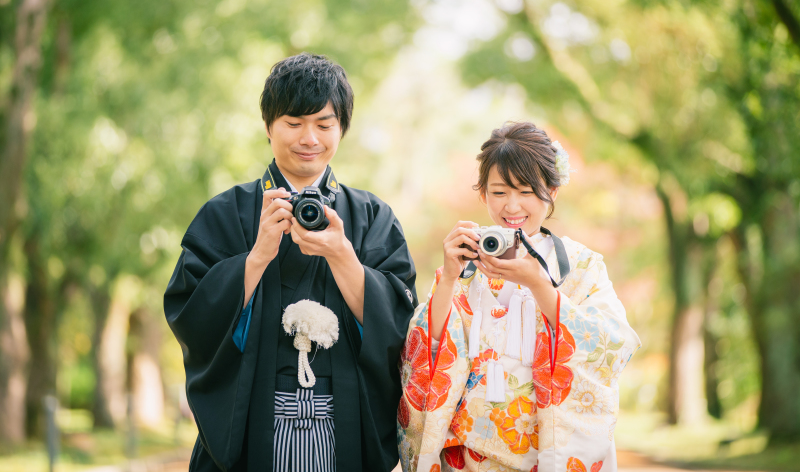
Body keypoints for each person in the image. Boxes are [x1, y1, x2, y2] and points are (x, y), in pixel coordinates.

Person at [165, 53, 417, 472]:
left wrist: (343, 256)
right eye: (294, 123)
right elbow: (192, 316)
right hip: (251, 424)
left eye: (324, 124)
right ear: (268, 126)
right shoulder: (226, 213)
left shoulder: (373, 217)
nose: (309, 138)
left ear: (342, 128)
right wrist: (258, 256)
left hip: (345, 425)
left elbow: (400, 328)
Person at [397, 122, 641, 472]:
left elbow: (610, 345)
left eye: (526, 191)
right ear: (483, 194)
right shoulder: (465, 263)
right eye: (499, 192)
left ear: (552, 191)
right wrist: (448, 277)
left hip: (543, 457)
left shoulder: (580, 267)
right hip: (465, 457)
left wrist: (540, 286)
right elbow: (426, 351)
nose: (512, 206)